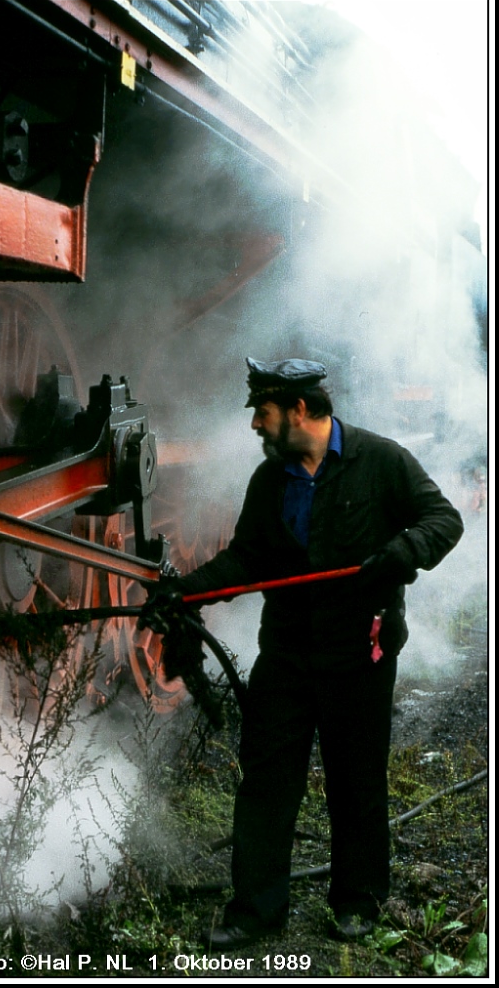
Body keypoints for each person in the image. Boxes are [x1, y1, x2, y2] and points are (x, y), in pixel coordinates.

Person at [140, 357, 464, 949]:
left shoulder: (382, 460)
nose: (256, 426)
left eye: (263, 413)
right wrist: (185, 591)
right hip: (286, 655)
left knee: (356, 778)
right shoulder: (270, 481)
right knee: (265, 780)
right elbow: (247, 558)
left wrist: (403, 551)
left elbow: (445, 519)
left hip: (358, 653)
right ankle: (256, 911)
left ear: (298, 411)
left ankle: (357, 901)